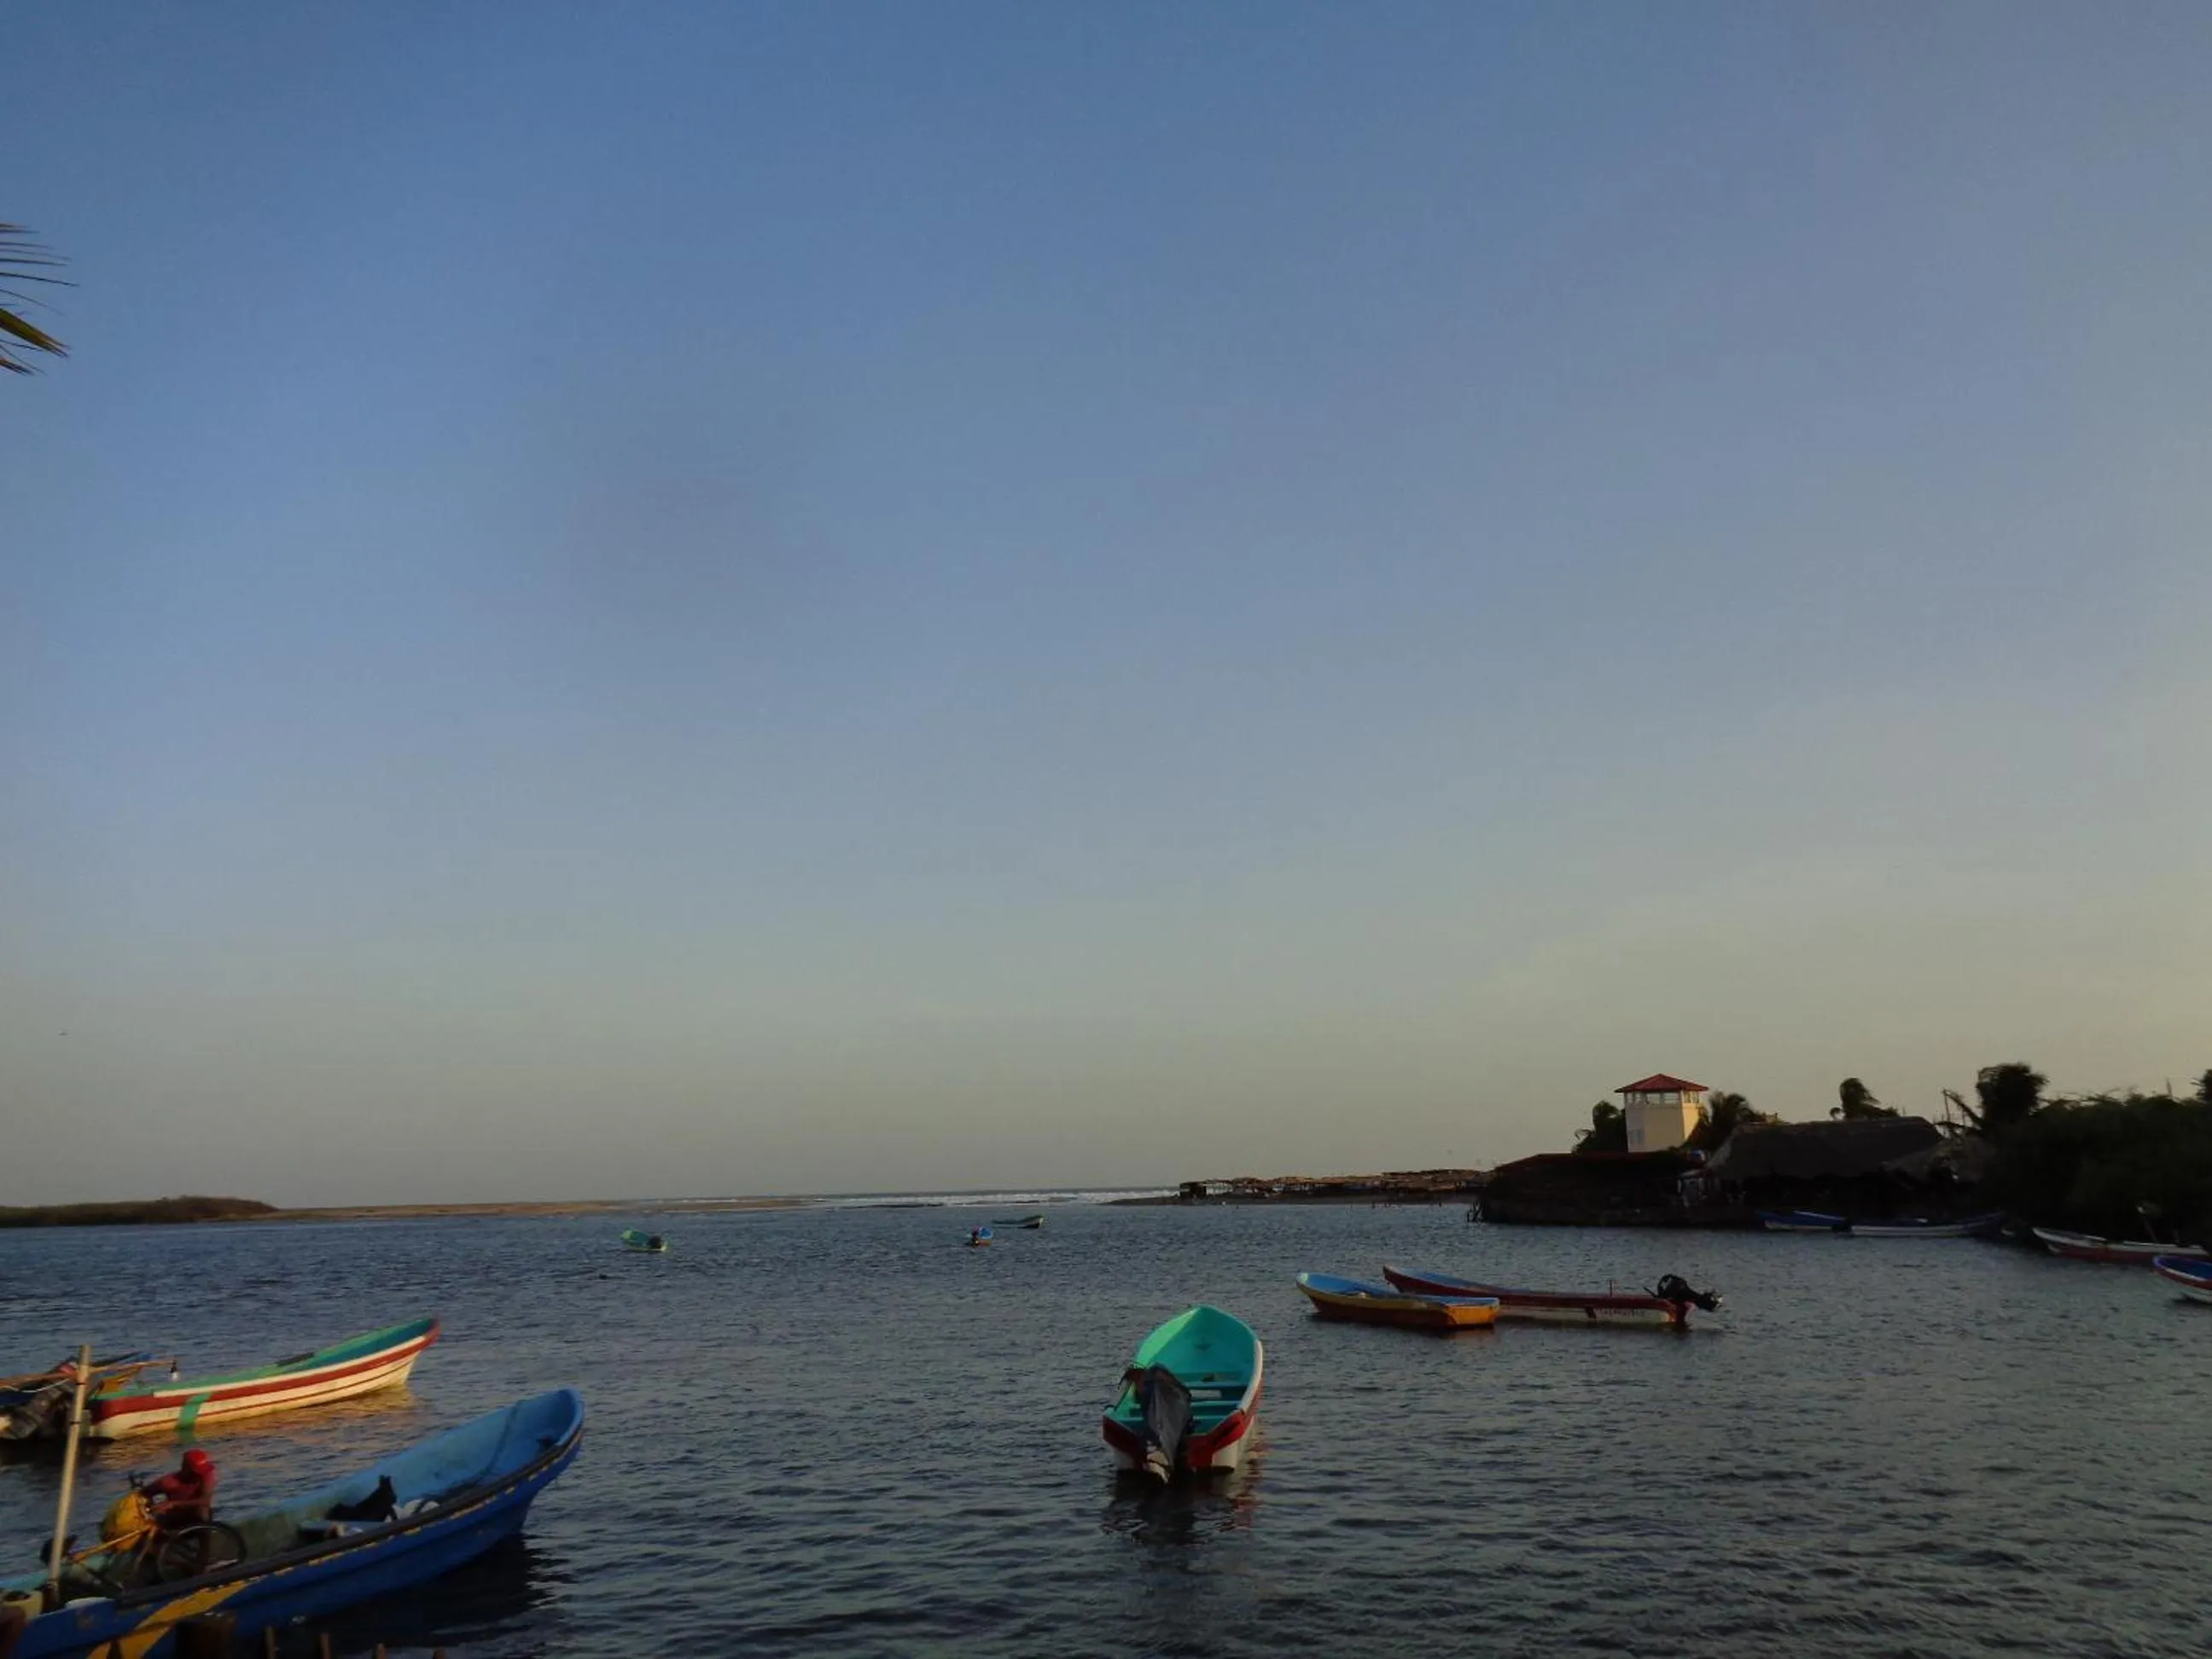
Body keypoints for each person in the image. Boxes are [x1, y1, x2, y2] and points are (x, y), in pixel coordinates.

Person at [144, 1449, 217, 1528]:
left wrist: (173, 1504)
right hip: (176, 1516)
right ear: (186, 1469)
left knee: (202, 1509)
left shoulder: (207, 1477)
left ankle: (206, 1536)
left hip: (199, 1516)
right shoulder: (168, 1482)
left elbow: (205, 1501)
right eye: (197, 1472)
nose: (200, 1476)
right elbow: (145, 1493)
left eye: (203, 1472)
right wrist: (152, 1507)